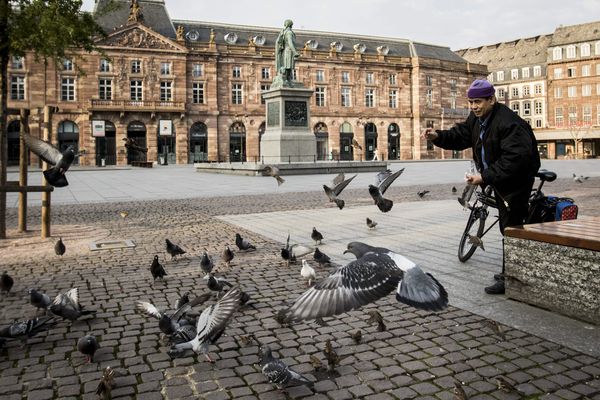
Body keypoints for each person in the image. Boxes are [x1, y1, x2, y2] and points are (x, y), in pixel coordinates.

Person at [422, 79, 540, 294]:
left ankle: (511, 279)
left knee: (511, 228)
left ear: (491, 99)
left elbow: (514, 160)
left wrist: (483, 177)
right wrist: (438, 136)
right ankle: (512, 271)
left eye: (478, 102)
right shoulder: (478, 119)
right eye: (471, 102)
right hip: (497, 178)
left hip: (516, 182)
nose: (474, 106)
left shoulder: (509, 123)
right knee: (509, 226)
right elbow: (461, 135)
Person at [275, 19, 299, 83]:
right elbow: (290, 43)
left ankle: (287, 80)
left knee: (288, 66)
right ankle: (286, 80)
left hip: (286, 51)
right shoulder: (289, 33)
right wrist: (295, 52)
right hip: (289, 51)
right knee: (288, 66)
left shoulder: (285, 32)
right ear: (290, 25)